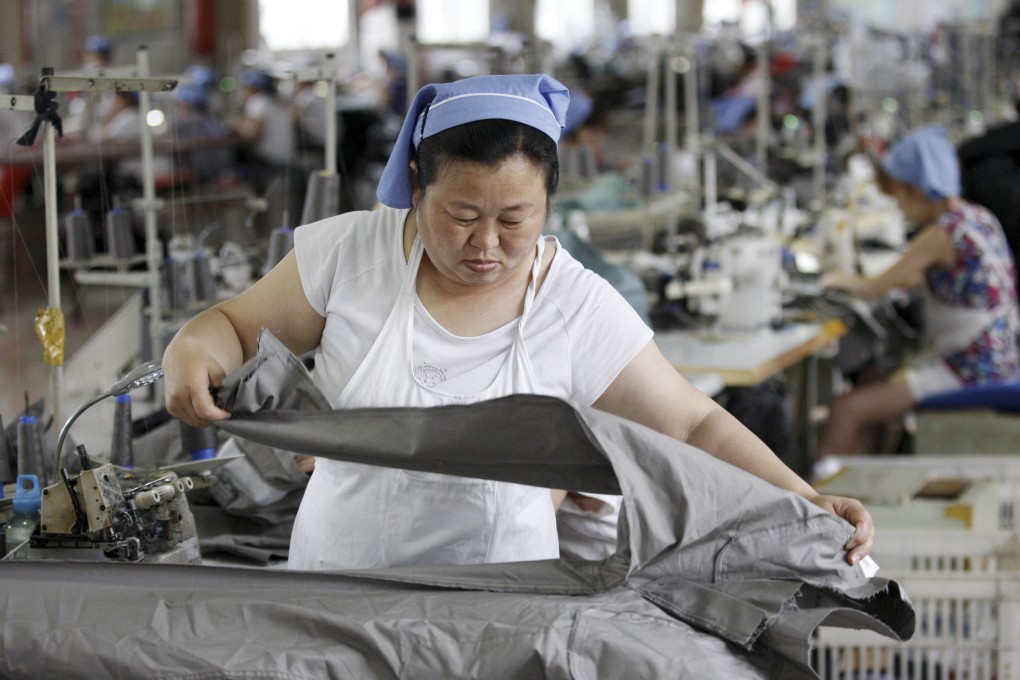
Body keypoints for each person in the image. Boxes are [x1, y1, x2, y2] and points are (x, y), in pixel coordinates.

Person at [163, 74, 874, 570]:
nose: (486, 246)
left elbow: (692, 425)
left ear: (549, 203)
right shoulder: (351, 254)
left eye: (515, 220)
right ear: (416, 186)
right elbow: (231, 325)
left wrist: (807, 499)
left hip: (500, 597)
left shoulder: (574, 302)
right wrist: (192, 350)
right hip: (338, 581)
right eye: (461, 216)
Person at [821, 126, 1019, 456]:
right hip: (999, 358)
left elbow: (874, 287)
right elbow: (939, 280)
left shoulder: (942, 234)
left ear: (917, 189)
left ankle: (817, 505)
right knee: (871, 382)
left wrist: (834, 279)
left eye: (897, 197)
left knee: (845, 410)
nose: (897, 208)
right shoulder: (978, 217)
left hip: (969, 369)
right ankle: (857, 491)